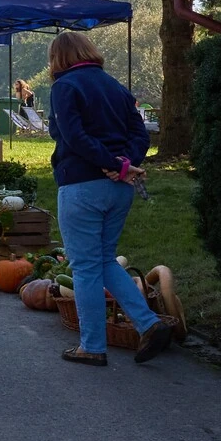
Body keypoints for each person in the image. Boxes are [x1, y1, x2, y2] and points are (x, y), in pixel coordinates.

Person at [47, 31, 176, 366]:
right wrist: (126, 165)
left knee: (85, 267)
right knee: (104, 259)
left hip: (81, 184)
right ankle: (149, 323)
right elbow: (139, 132)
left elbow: (73, 136)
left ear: (58, 59)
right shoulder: (116, 87)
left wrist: (112, 163)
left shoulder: (65, 86)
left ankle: (92, 346)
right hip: (120, 188)